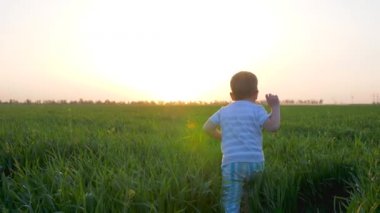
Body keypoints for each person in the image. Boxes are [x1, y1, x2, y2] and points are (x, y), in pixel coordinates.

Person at [203, 71, 280, 212]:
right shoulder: (257, 109)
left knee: (231, 202)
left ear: (232, 95)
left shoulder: (223, 111)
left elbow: (207, 127)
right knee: (251, 198)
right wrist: (275, 107)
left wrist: (222, 136)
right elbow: (273, 126)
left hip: (231, 164)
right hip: (255, 163)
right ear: (256, 94)